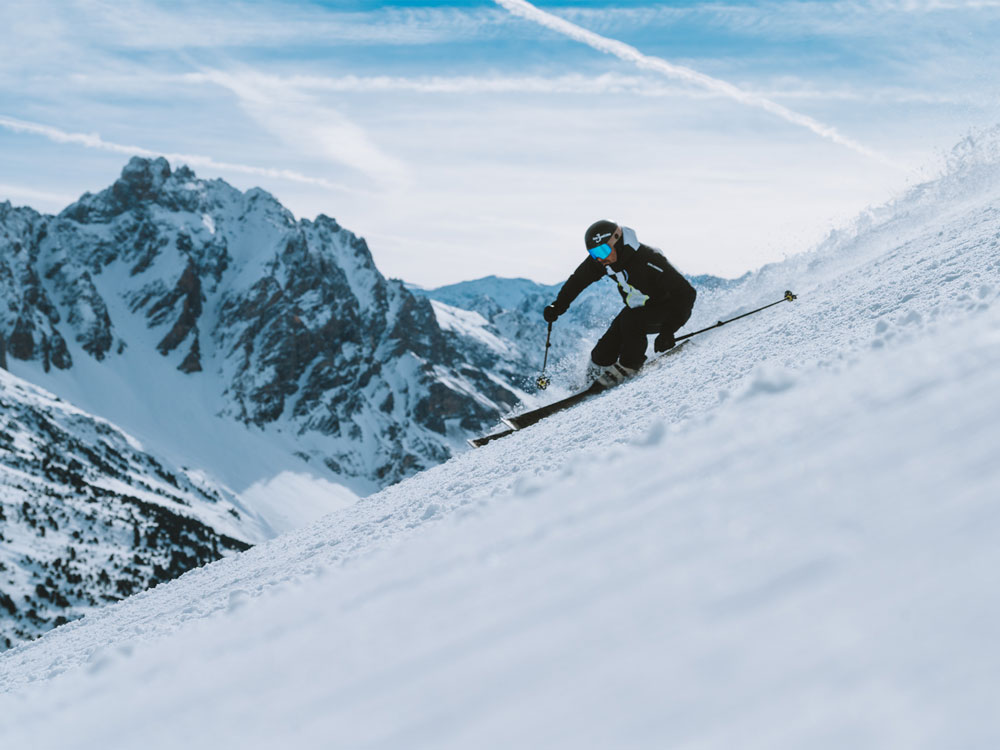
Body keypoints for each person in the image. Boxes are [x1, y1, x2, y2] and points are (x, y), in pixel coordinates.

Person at [543, 220, 697, 386]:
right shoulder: (604, 260)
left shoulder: (648, 259)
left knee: (631, 319)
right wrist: (558, 306)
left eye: (602, 250)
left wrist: (668, 330)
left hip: (670, 310)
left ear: (617, 240)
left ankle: (629, 366)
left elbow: (686, 293)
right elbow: (578, 280)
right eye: (594, 253)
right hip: (638, 311)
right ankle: (591, 382)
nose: (599, 258)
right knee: (601, 353)